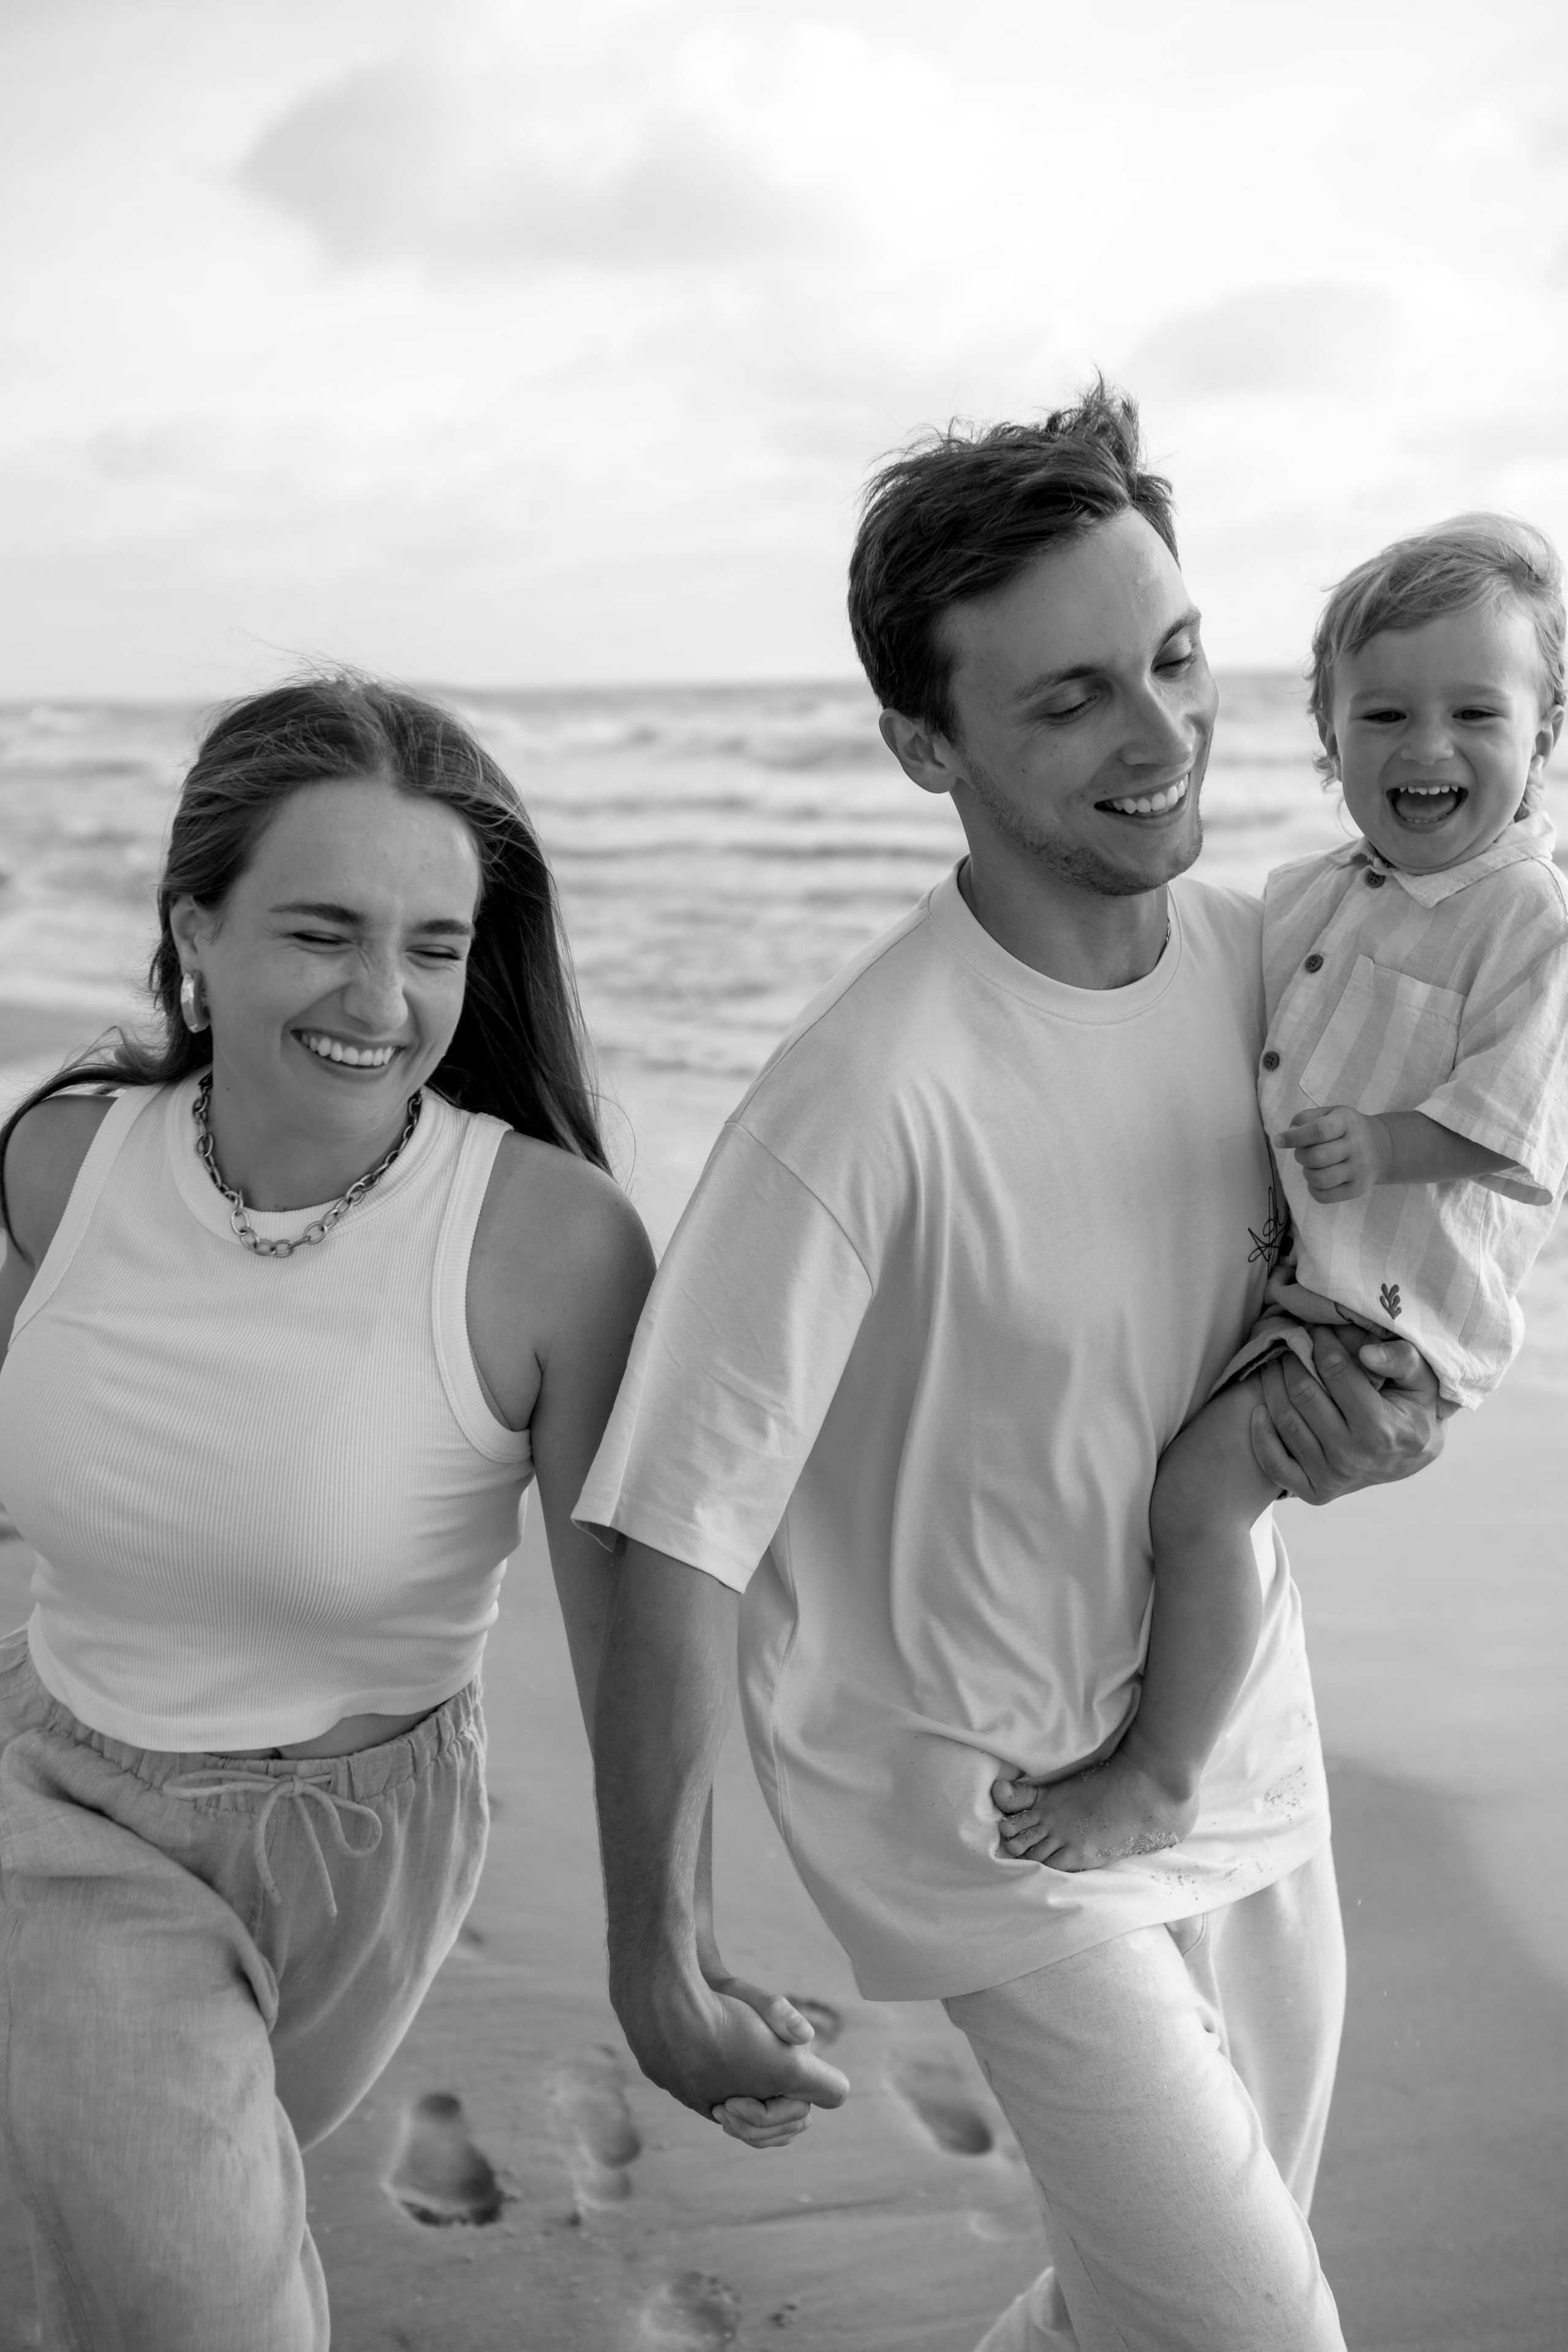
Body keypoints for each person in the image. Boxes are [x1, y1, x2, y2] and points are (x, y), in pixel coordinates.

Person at [579, 387, 1447, 2352]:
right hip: (998, 1812)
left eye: (1175, 656)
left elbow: (1369, 1298)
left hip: (1243, 1746)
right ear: (923, 742)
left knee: (1140, 2316)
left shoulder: (1273, 973)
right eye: (1068, 701)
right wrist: (662, 1948)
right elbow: (675, 1533)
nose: (1160, 737)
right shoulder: (862, 1099)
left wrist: (1364, 1433)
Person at [0, 677, 657, 2352]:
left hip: (375, 1846)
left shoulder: (548, 1240)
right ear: (195, 931)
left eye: (435, 945)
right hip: (67, 1807)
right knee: (197, 2298)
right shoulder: (58, 1169)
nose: (386, 997)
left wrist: (669, 1948)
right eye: (323, 931)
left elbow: (633, 1641)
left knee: (111, 2240)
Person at [1000, 513, 1568, 1874]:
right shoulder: (1300, 896)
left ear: (1543, 734)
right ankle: (1151, 1696)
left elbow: (1515, 1134)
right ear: (1327, 738)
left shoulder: (1528, 918)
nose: (1423, 749)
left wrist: (1383, 1147)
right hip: (1297, 1279)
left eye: (1472, 714)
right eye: (1381, 714)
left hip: (1387, 1318)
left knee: (1199, 1500)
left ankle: (1161, 1774)